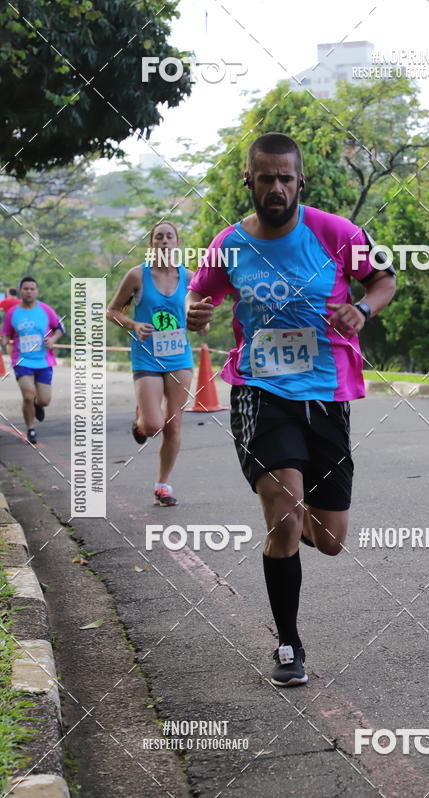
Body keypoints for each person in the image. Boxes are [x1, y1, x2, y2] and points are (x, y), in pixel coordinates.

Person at [186, 132, 396, 686]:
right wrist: (194, 312)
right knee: (283, 515)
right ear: (249, 181)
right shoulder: (228, 244)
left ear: (300, 180)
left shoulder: (338, 233)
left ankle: (301, 517)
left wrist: (363, 309)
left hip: (325, 395)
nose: (276, 187)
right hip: (260, 392)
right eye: (266, 178)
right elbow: (199, 294)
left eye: (285, 178)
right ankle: (287, 644)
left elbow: (383, 279)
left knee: (330, 540)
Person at [107, 222, 194, 507]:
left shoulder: (189, 277)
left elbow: (198, 315)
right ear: (151, 244)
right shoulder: (137, 275)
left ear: (177, 243)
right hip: (147, 356)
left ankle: (162, 486)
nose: (164, 241)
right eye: (159, 237)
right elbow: (112, 311)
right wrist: (133, 324)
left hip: (179, 357)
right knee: (154, 425)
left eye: (170, 236)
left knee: (174, 424)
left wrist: (201, 322)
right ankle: (141, 421)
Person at [0, 277, 64, 444]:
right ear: (20, 291)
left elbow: (59, 328)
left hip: (43, 361)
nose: (29, 291)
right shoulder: (12, 313)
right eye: (26, 288)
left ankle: (38, 404)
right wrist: (4, 340)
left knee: (44, 400)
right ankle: (31, 429)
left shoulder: (46, 310)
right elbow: (5, 333)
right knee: (28, 396)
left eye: (32, 289)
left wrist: (53, 339)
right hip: (22, 361)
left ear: (37, 291)